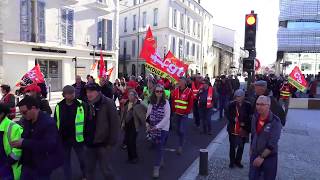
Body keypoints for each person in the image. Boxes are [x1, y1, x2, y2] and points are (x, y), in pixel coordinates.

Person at [13, 96, 63, 179]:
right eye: (21, 113)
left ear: (33, 108)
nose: (22, 115)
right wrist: (19, 144)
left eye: (24, 112)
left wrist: (24, 142)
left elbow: (49, 145)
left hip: (42, 166)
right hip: (27, 164)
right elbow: (25, 137)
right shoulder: (26, 120)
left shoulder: (48, 123)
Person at [84, 83, 120, 180]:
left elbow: (115, 124)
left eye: (91, 92)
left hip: (103, 144)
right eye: (87, 92)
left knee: (106, 170)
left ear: (98, 92)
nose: (89, 94)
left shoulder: (108, 103)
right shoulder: (87, 104)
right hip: (90, 143)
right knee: (89, 170)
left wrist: (111, 142)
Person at [54, 86, 87, 180]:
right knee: (65, 161)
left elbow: (87, 120)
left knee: (82, 159)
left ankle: (85, 175)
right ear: (64, 95)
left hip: (78, 138)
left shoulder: (81, 105)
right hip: (64, 138)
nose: (73, 94)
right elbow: (56, 122)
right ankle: (67, 177)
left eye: (73, 92)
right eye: (70, 93)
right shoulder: (59, 106)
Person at [249, 95, 282, 180]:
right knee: (252, 177)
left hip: (269, 157)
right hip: (255, 154)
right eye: (257, 104)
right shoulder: (255, 117)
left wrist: (261, 157)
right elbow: (253, 134)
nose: (259, 107)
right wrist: (251, 148)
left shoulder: (275, 121)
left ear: (269, 105)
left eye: (262, 104)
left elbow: (272, 143)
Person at [146, 84, 170, 178]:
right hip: (153, 127)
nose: (159, 93)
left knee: (159, 146)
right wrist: (147, 125)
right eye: (157, 91)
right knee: (157, 146)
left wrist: (157, 126)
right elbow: (148, 115)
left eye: (161, 91)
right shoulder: (151, 102)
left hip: (163, 128)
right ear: (154, 92)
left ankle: (156, 167)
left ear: (163, 92)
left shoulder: (166, 103)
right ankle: (161, 159)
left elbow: (167, 117)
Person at [225, 89, 253, 168]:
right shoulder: (231, 104)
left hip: (243, 129)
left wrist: (245, 123)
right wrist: (233, 119)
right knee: (232, 146)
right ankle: (232, 161)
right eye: (236, 96)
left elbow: (250, 116)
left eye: (239, 96)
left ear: (243, 96)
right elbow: (227, 114)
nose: (238, 98)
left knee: (241, 146)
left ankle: (238, 161)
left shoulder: (248, 105)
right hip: (232, 128)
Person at [120, 89, 146, 164]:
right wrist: (122, 123)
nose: (130, 96)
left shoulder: (139, 103)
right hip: (127, 124)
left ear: (135, 96)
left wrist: (146, 123)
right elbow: (124, 113)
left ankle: (135, 157)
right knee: (128, 141)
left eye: (131, 95)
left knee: (132, 141)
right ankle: (130, 157)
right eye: (129, 95)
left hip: (135, 124)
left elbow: (146, 109)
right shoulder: (127, 102)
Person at [0, 104, 23, 180]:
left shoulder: (14, 127)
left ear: (2, 114)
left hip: (9, 168)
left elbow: (18, 150)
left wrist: (7, 164)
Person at [171, 77, 194, 155]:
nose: (179, 82)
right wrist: (173, 110)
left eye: (180, 81)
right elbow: (173, 100)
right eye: (179, 81)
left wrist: (187, 111)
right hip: (176, 114)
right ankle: (182, 138)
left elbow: (191, 103)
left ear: (184, 82)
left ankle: (180, 146)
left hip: (184, 115)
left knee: (181, 130)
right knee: (177, 130)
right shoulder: (176, 91)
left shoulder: (189, 91)